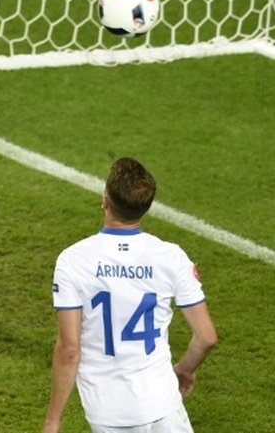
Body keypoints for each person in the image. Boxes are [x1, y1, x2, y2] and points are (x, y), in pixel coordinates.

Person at [43, 157, 218, 433]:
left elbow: (69, 350)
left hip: (109, 412)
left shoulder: (73, 260)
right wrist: (184, 369)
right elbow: (207, 337)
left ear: (105, 201)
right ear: (145, 209)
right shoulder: (171, 257)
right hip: (163, 403)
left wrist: (53, 420)